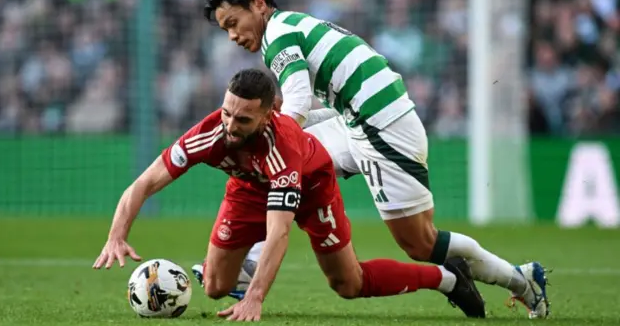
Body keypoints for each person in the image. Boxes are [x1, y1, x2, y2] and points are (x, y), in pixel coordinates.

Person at [203, 0, 550, 319]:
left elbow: (298, 103)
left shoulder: (277, 36)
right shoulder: (288, 27)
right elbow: (322, 102)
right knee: (279, 166)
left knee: (420, 242)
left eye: (234, 22)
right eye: (225, 29)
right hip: (359, 120)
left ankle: (521, 279)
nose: (232, 35)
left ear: (258, 5)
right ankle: (250, 261)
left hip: (383, 128)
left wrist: (274, 126)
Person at [92, 68, 486, 321]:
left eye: (243, 119)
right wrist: (116, 235)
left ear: (269, 115)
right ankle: (243, 270)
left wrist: (256, 299)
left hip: (313, 188)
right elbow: (144, 183)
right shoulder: (211, 133)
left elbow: (278, 232)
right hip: (247, 190)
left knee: (349, 284)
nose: (230, 124)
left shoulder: (281, 147)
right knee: (213, 286)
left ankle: (446, 278)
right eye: (227, 112)